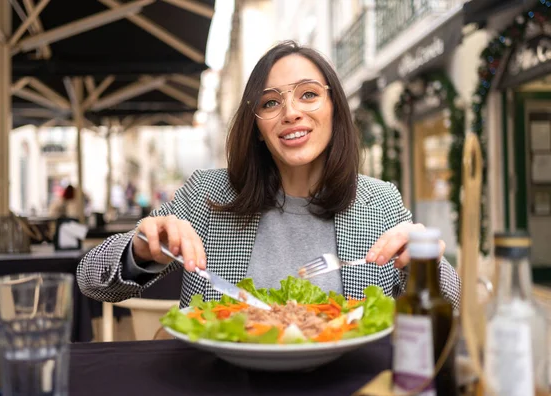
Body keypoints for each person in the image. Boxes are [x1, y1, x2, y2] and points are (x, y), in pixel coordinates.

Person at [76, 41, 461, 309]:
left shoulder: (380, 202)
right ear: (257, 125)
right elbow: (90, 281)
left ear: (334, 109)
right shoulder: (206, 195)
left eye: (308, 94)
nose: (291, 112)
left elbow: (456, 305)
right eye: (271, 102)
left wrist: (426, 265)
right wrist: (140, 250)